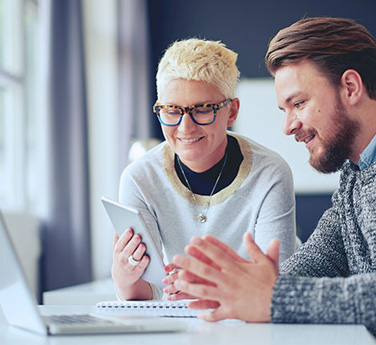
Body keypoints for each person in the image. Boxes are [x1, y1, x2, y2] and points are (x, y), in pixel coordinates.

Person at [170, 17, 376, 334]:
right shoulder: (357, 173)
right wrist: (235, 286)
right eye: (285, 110)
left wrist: (275, 297)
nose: (288, 126)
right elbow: (322, 256)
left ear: (350, 87)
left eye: (299, 103)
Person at [112, 38, 297, 301]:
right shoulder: (139, 178)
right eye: (172, 110)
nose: (185, 127)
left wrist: (208, 285)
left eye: (203, 110)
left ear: (231, 112)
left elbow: (277, 285)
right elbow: (145, 295)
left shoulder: (270, 174)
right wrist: (124, 280)